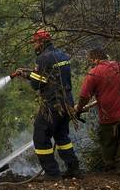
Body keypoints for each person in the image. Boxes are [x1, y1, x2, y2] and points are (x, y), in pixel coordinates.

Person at [11, 29, 80, 179]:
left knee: (41, 136)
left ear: (41, 42)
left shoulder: (43, 58)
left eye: (35, 42)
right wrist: (28, 74)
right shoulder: (62, 55)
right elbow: (49, 77)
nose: (34, 46)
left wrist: (30, 77)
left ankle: (52, 173)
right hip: (67, 101)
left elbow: (37, 84)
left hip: (52, 104)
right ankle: (74, 168)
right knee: (61, 136)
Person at [75, 47, 120, 176]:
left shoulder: (94, 73)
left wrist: (79, 109)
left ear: (95, 59)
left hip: (109, 114)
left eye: (91, 60)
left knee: (108, 139)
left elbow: (84, 96)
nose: (91, 63)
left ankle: (110, 167)